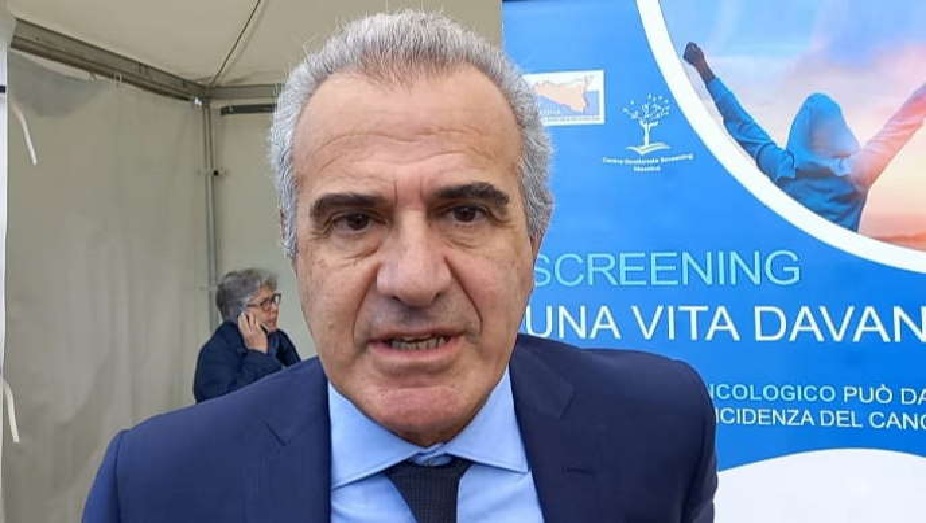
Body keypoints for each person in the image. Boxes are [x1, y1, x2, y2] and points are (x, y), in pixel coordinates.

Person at [83, 11, 717, 522]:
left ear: (534, 238)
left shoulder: (660, 425)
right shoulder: (155, 486)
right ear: (295, 247)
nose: (414, 280)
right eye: (355, 221)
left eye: (465, 213)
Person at [683, 42, 926, 232]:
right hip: (845, 273)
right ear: (839, 130)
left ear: (799, 129)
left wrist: (704, 70)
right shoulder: (858, 172)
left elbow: (742, 124)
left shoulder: (782, 169)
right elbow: (901, 124)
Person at [192, 268, 300, 402]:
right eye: (265, 303)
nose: (275, 308)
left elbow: (301, 384)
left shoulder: (278, 339)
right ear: (239, 312)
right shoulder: (215, 354)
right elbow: (230, 407)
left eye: (273, 300)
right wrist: (258, 355)